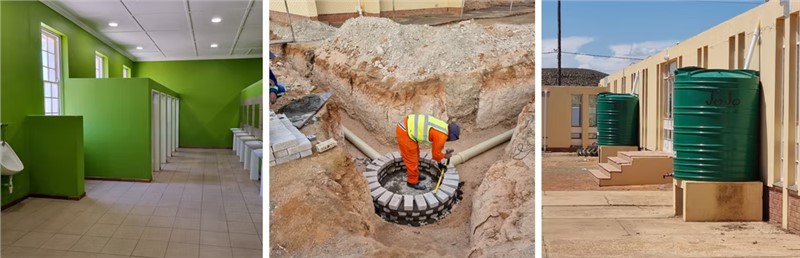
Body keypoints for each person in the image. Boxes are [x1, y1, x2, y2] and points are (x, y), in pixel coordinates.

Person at [396, 114, 460, 190]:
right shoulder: (442, 136)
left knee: (415, 155)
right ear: (451, 136)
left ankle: (415, 174)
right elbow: (435, 155)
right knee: (411, 159)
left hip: (408, 125)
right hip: (405, 131)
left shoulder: (444, 127)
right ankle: (412, 182)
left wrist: (439, 163)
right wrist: (445, 156)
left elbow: (438, 151)